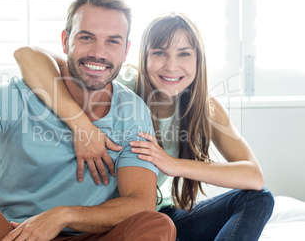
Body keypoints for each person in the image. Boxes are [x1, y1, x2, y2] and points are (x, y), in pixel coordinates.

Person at [0, 0, 176, 241]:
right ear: (65, 40)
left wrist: (63, 215)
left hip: (89, 235)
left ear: (126, 50)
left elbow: (139, 203)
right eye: (86, 37)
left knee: (156, 223)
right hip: (9, 233)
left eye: (113, 41)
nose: (98, 52)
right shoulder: (14, 96)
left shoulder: (133, 110)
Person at [14, 12, 275, 240]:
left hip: (158, 216)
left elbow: (253, 176)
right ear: (143, 56)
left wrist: (173, 164)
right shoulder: (120, 85)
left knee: (259, 197)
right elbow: (27, 55)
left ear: (198, 60)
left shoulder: (206, 107)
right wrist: (82, 125)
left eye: (184, 54)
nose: (171, 66)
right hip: (109, 217)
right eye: (159, 53)